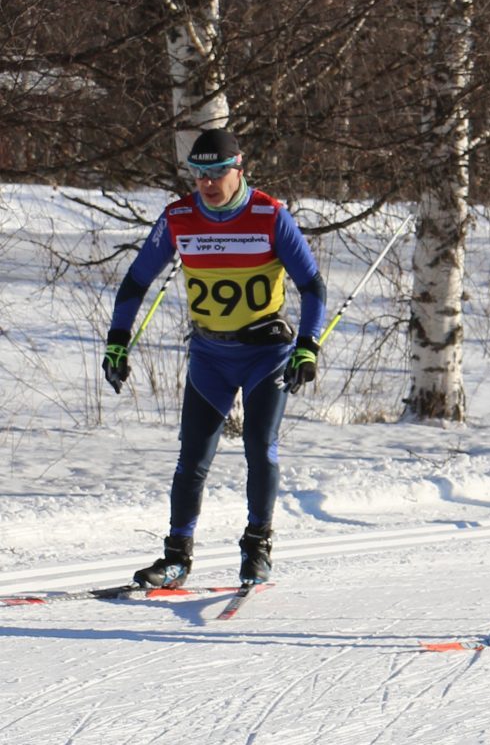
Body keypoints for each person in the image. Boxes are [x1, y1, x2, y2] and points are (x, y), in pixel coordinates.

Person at [103, 130, 327, 590]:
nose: (207, 183)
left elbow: (313, 286)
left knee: (258, 447)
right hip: (210, 354)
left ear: (238, 168)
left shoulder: (269, 215)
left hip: (265, 353)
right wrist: (117, 341)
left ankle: (257, 546)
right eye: (198, 173)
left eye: (217, 172)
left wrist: (308, 345)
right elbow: (134, 282)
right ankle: (176, 558)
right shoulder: (179, 218)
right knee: (192, 457)